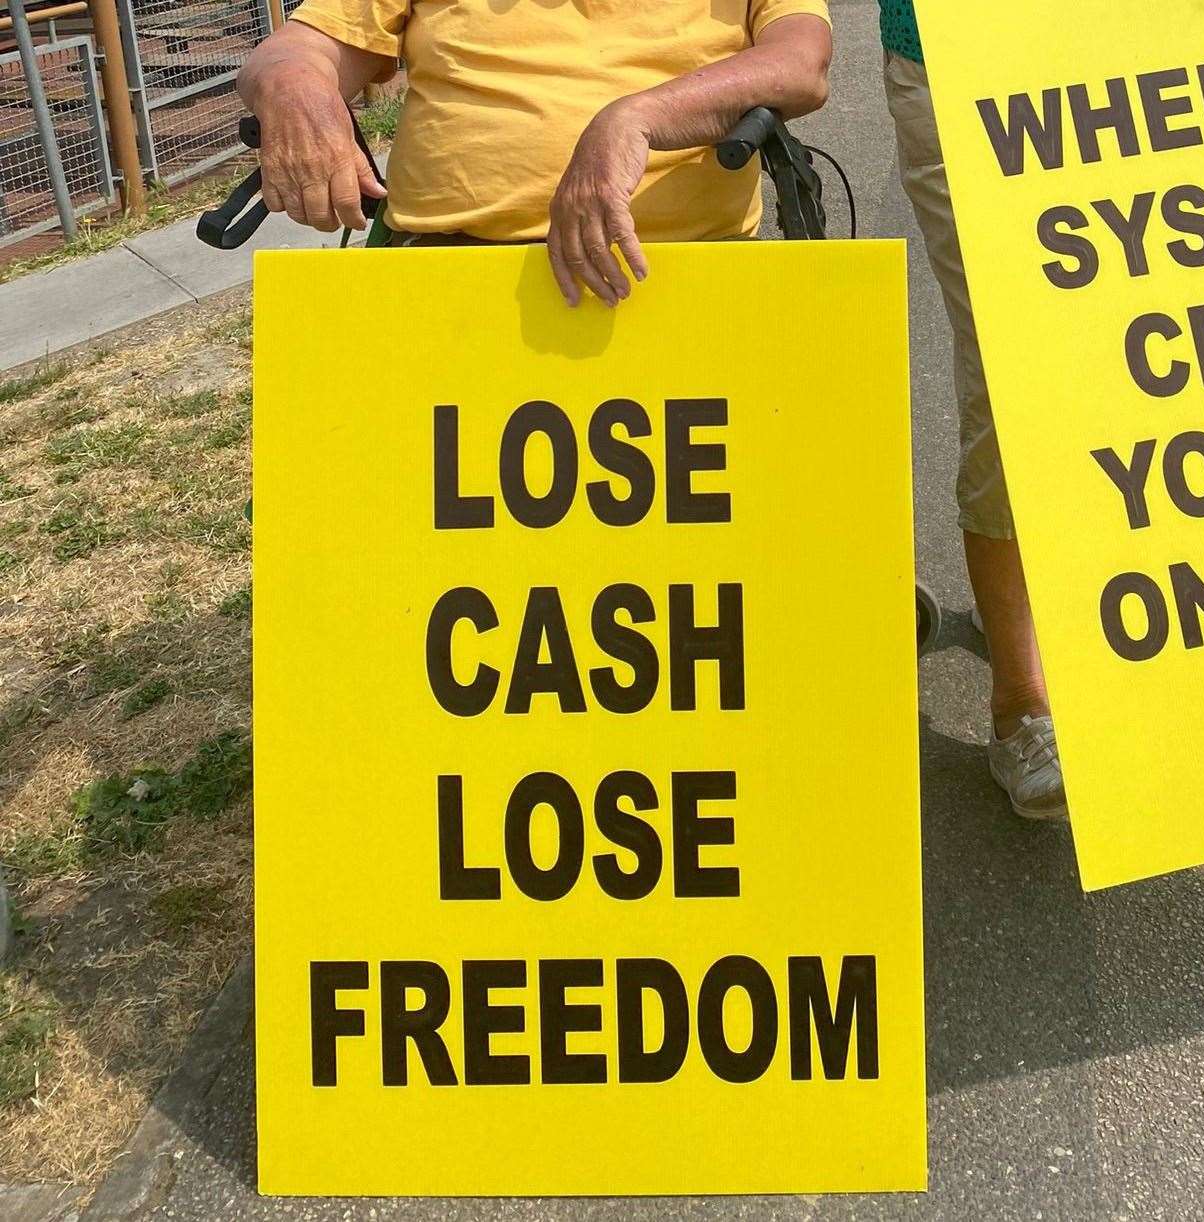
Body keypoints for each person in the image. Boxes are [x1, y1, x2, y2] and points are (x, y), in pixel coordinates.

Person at [235, 0, 832, 307]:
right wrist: (292, 91)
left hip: (690, 276)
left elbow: (799, 62)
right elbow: (302, 48)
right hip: (445, 275)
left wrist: (635, 118)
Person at [879, 2, 1067, 820]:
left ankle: (1133, 633)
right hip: (965, 53)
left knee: (1156, 348)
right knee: (1014, 360)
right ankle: (1021, 703)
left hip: (1162, 39)